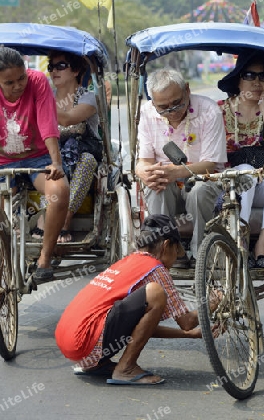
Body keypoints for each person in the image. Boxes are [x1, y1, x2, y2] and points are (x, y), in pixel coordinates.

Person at [55, 214, 221, 385]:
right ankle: (125, 368)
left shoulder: (127, 261)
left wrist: (191, 335)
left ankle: (96, 365)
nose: (176, 258)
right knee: (156, 293)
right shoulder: (155, 268)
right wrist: (213, 303)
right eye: (177, 251)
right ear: (166, 246)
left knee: (149, 298)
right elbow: (187, 322)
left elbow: (139, 328)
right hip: (85, 343)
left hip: (72, 346)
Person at [135, 68, 227, 268]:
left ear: (187, 90)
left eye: (177, 103)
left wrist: (175, 172)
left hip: (204, 179)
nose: (172, 111)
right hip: (167, 184)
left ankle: (201, 252)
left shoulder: (209, 110)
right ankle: (167, 252)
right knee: (155, 185)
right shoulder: (146, 112)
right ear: (152, 102)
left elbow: (210, 164)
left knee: (199, 190)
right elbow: (144, 160)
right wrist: (142, 171)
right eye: (163, 107)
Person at [217, 50, 264, 268]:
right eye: (250, 76)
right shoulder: (220, 110)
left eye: (262, 77)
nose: (256, 82)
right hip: (232, 183)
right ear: (239, 79)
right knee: (244, 171)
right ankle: (239, 240)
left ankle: (262, 244)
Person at [0, 46, 69, 282]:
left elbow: (48, 123)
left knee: (59, 192)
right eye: (9, 83)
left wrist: (56, 162)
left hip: (37, 157)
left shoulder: (37, 81)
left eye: (21, 77)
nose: (18, 85)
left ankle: (44, 258)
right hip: (2, 161)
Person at [32, 51, 103, 243]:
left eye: (61, 66)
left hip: (83, 151)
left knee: (86, 161)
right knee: (45, 161)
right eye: (51, 67)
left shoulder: (88, 97)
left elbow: (68, 118)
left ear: (76, 70)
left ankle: (64, 220)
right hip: (52, 152)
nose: (54, 71)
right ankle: (42, 217)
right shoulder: (47, 96)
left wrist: (40, 101)